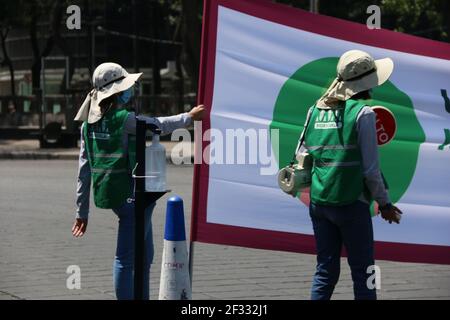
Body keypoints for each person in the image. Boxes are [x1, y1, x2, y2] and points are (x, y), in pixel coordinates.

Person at [71, 62, 204, 300]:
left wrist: (82, 211)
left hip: (111, 194)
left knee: (145, 255)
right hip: (133, 195)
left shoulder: (87, 125)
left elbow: (84, 169)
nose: (130, 91)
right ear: (118, 92)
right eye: (126, 88)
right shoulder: (125, 119)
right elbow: (158, 125)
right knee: (126, 259)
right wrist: (188, 117)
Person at [300, 50, 402, 300]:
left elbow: (303, 155)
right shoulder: (363, 114)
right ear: (367, 83)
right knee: (364, 274)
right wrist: (385, 204)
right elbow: (370, 171)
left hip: (320, 203)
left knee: (325, 272)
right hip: (351, 205)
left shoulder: (314, 111)